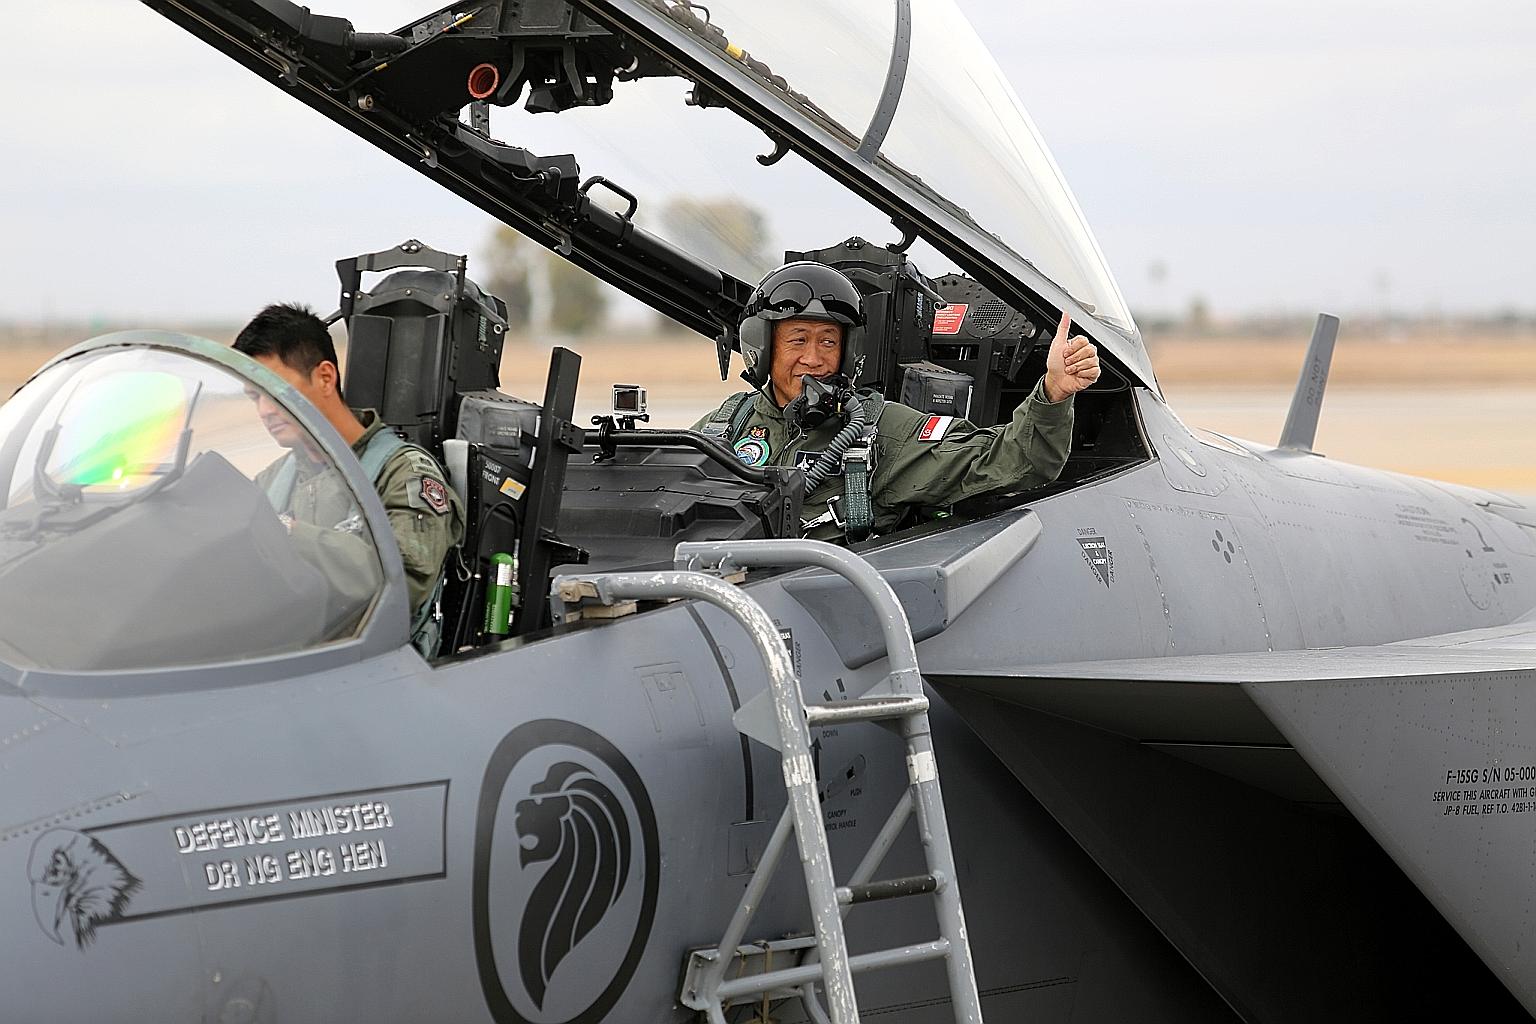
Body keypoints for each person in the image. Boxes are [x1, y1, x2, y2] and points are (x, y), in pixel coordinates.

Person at [696, 262, 1100, 542]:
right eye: (798, 339)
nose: (814, 358)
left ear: (849, 352)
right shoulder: (725, 425)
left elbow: (1009, 460)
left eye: (829, 342)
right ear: (763, 348)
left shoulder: (879, 431)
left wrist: (1052, 394)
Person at [233, 303, 464, 650]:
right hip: (286, 666)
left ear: (325, 378)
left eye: (275, 390)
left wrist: (287, 534)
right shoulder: (272, 482)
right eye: (254, 396)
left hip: (371, 675)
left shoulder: (403, 474)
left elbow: (403, 583)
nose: (264, 410)